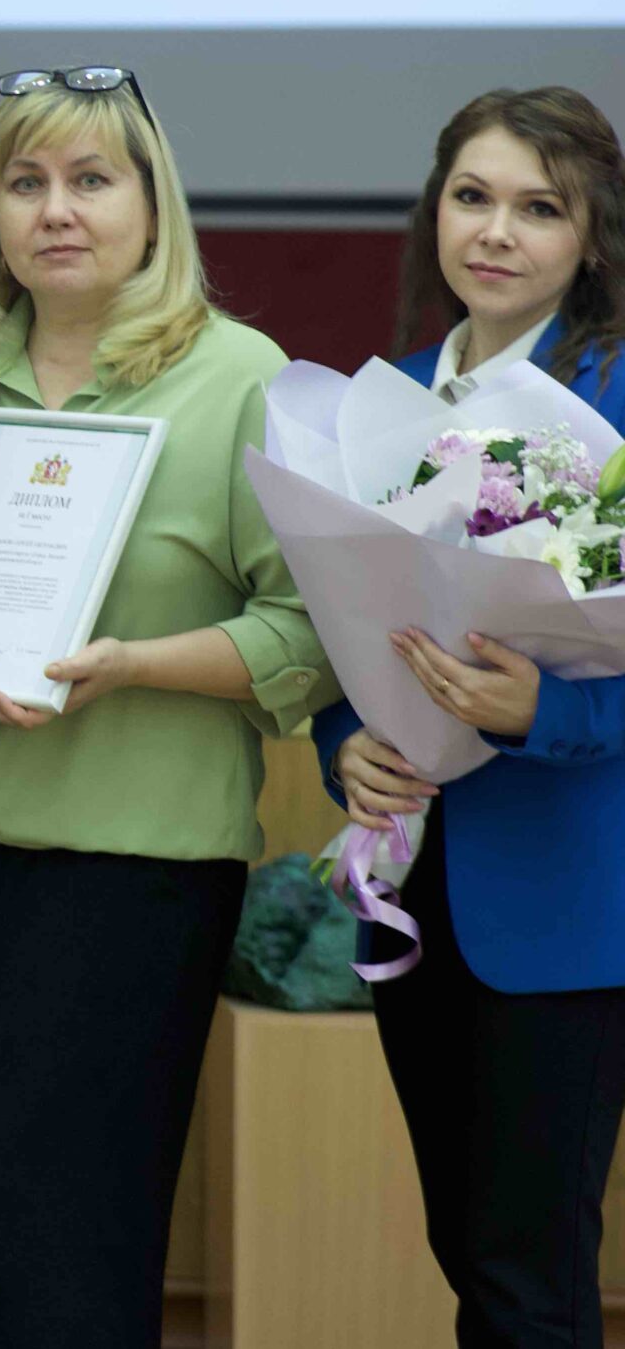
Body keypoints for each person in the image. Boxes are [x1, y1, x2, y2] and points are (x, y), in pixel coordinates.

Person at [0, 67, 336, 1345]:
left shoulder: (242, 378)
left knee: (42, 1236)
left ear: (153, 205)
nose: (56, 211)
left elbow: (309, 639)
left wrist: (130, 663)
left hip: (129, 870)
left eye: (92, 179)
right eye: (22, 184)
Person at [316, 87, 625, 1347]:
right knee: (470, 1249)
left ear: (592, 237)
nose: (496, 232)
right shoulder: (382, 396)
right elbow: (346, 612)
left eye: (539, 209)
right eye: (473, 197)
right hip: (417, 880)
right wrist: (347, 736)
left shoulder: (609, 397)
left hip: (564, 898)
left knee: (525, 1277)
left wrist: (540, 709)